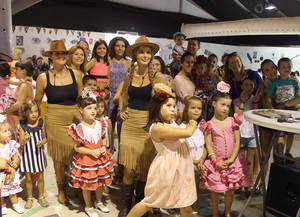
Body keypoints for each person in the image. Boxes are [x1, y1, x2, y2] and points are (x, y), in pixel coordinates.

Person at [126, 83, 197, 217]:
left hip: (181, 168)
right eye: (168, 106)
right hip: (167, 169)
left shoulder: (170, 122)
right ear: (157, 107)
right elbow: (187, 132)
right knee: (150, 202)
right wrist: (193, 122)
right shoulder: (158, 127)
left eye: (174, 106)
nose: (173, 110)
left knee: (185, 203)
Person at [118, 36, 163, 217]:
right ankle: (125, 207)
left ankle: (139, 207)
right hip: (129, 126)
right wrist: (122, 110)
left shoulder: (157, 76)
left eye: (148, 52)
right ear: (135, 54)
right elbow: (122, 96)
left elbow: (163, 101)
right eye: (141, 52)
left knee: (144, 170)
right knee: (128, 169)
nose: (145, 55)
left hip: (147, 125)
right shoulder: (129, 76)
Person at [35, 40, 83, 204]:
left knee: (76, 152)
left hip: (73, 118)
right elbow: (37, 102)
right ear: (51, 57)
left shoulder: (76, 74)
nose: (61, 56)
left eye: (63, 53)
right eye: (57, 53)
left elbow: (81, 98)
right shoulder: (43, 77)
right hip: (53, 119)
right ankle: (61, 188)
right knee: (58, 157)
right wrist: (41, 124)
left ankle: (76, 184)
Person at [201, 81, 252, 217]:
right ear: (214, 104)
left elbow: (237, 142)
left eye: (228, 106)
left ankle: (228, 212)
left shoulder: (232, 121)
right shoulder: (209, 125)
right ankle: (216, 213)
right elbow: (209, 144)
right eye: (222, 105)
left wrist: (232, 159)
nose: (225, 108)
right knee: (215, 189)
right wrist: (214, 160)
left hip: (232, 161)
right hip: (216, 163)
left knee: (230, 190)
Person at [67, 89, 115, 217]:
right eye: (89, 108)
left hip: (100, 159)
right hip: (87, 160)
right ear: (81, 110)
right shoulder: (79, 128)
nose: (93, 111)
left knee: (99, 181)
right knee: (87, 184)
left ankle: (99, 202)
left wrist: (104, 146)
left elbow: (104, 137)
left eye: (94, 108)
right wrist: (91, 152)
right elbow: (77, 147)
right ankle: (88, 206)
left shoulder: (100, 124)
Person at [264, 57, 300, 163]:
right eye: (283, 67)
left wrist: (290, 103)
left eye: (289, 66)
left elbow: (298, 96)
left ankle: (288, 152)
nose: (286, 68)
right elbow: (267, 96)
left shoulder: (294, 82)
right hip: (279, 110)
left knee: (290, 133)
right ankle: (280, 154)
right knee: (281, 133)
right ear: (278, 69)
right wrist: (270, 106)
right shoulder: (275, 83)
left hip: (291, 109)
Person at [180, 96, 207, 217]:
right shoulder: (182, 128)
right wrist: (194, 161)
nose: (196, 110)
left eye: (199, 108)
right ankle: (185, 213)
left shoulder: (201, 128)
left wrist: (201, 160)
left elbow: (204, 147)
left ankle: (194, 212)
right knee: (186, 190)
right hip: (187, 164)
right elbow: (181, 150)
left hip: (198, 165)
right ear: (186, 110)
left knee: (196, 189)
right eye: (193, 108)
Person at [18, 100, 48, 209]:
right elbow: (21, 142)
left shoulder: (41, 123)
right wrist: (25, 139)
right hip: (27, 156)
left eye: (36, 111)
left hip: (39, 155)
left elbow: (46, 137)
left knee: (40, 177)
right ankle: (29, 198)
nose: (34, 114)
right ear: (25, 113)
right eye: (31, 112)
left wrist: (42, 142)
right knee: (29, 179)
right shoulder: (22, 126)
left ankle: (41, 196)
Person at [233, 77, 259, 188]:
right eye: (246, 85)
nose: (248, 88)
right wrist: (243, 101)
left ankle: (249, 181)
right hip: (241, 132)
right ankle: (240, 179)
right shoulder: (236, 100)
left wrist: (256, 102)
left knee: (250, 159)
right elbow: (237, 115)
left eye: (251, 85)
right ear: (242, 86)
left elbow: (256, 114)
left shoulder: (255, 100)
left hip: (253, 133)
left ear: (253, 87)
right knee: (241, 158)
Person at [0, 118, 24, 215]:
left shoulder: (11, 144)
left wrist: (15, 161)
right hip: (1, 174)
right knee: (1, 193)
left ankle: (16, 204)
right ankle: (2, 205)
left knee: (12, 192)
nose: (9, 133)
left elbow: (16, 156)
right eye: (5, 131)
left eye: (9, 130)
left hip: (10, 172)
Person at [7, 61, 35, 130]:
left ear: (24, 71)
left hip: (19, 121)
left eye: (16, 69)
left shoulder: (24, 85)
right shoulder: (23, 84)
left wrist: (6, 111)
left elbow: (19, 104)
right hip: (16, 118)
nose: (14, 71)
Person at [174, 52, 196, 117]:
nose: (190, 64)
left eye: (192, 62)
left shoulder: (190, 77)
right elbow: (186, 98)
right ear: (181, 63)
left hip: (191, 112)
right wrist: (199, 101)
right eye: (187, 62)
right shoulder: (178, 78)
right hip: (182, 113)